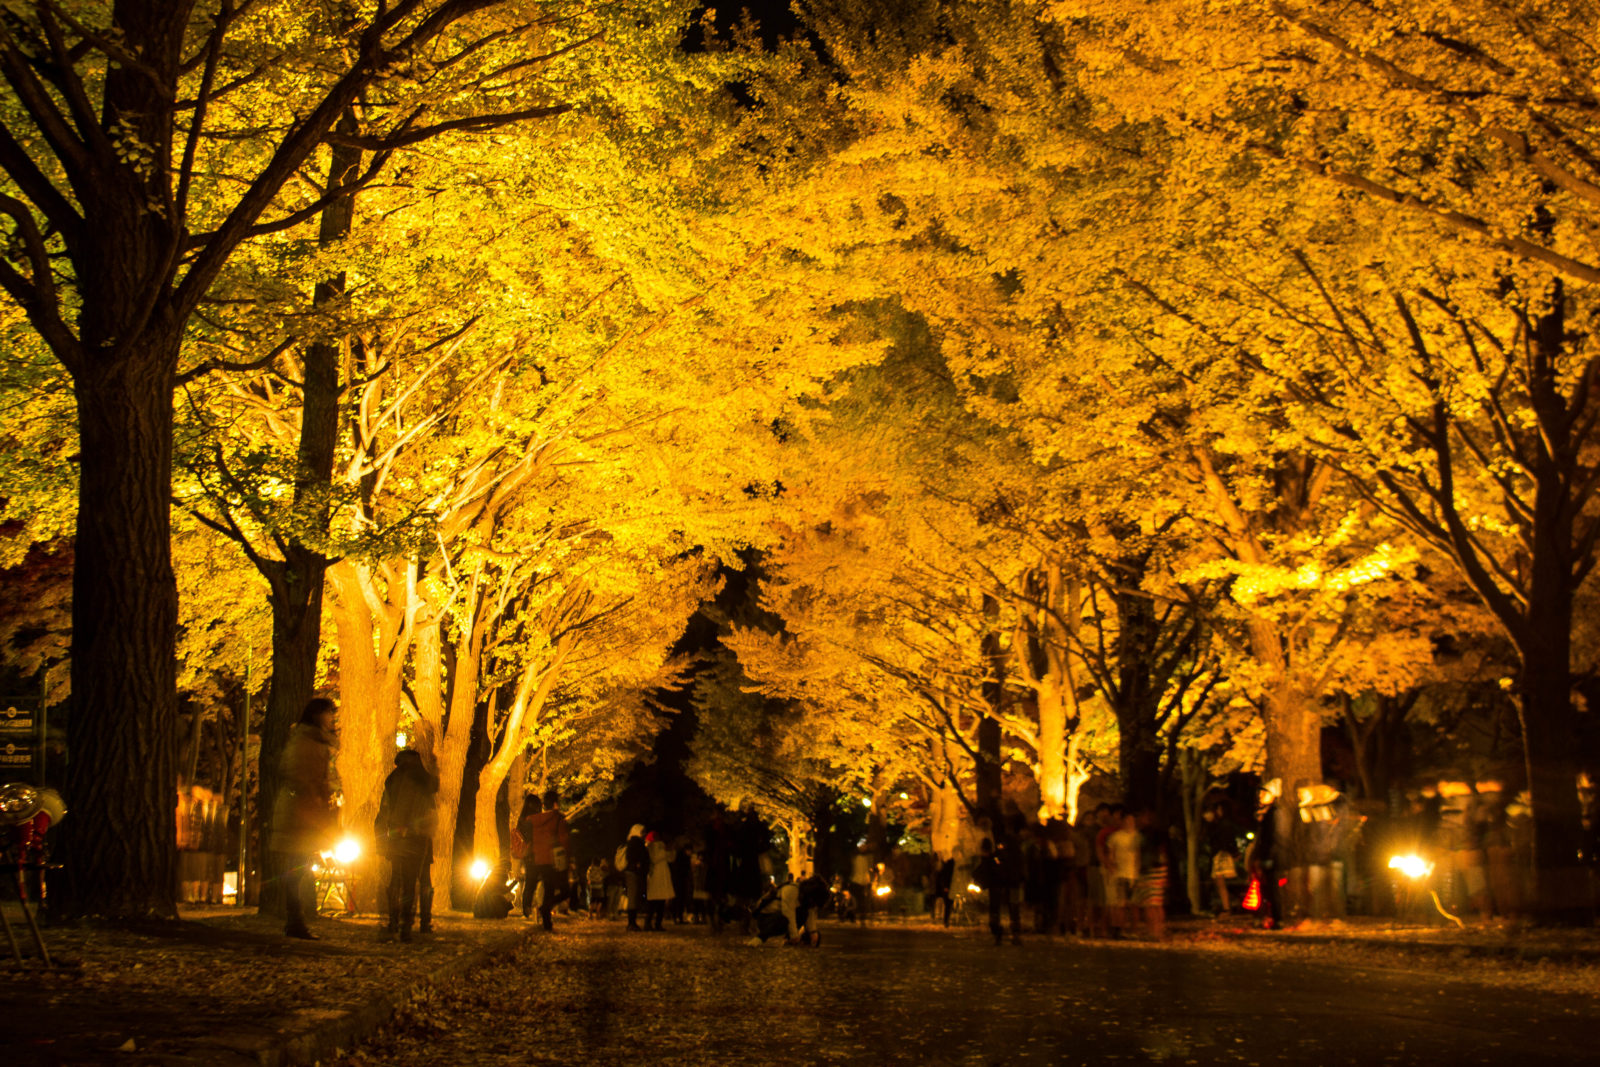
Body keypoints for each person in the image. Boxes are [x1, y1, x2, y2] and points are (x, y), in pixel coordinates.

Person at [269, 697, 340, 940]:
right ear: (317, 715)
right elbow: (302, 776)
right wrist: (316, 800)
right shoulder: (306, 741)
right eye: (328, 713)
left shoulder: (313, 741)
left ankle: (295, 920)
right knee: (297, 869)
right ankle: (294, 920)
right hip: (301, 814)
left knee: (299, 868)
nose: (332, 718)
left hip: (306, 813)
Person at [374, 748, 438, 942]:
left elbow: (384, 811)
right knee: (416, 881)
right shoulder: (424, 780)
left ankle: (396, 922)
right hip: (419, 837)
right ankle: (415, 925)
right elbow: (430, 811)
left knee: (396, 879)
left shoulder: (393, 780)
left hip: (397, 836)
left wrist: (381, 838)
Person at [516, 789, 572, 930]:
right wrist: (567, 859)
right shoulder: (558, 818)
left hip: (536, 857)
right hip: (551, 860)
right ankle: (546, 915)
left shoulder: (533, 820)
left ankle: (534, 911)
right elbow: (563, 840)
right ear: (555, 803)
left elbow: (527, 835)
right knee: (553, 890)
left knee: (532, 884)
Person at [1204, 803, 1240, 915]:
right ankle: (1226, 906)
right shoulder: (1220, 824)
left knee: (1220, 882)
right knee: (1220, 883)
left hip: (1221, 855)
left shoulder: (1223, 824)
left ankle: (1227, 908)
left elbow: (1226, 840)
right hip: (1220, 854)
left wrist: (1234, 853)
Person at [646, 830, 674, 931]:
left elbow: (671, 858)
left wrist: (669, 851)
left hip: (662, 875)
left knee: (660, 901)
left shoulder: (660, 847)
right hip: (656, 875)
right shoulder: (652, 847)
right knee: (654, 901)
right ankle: (649, 923)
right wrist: (665, 853)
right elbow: (654, 858)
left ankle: (657, 923)